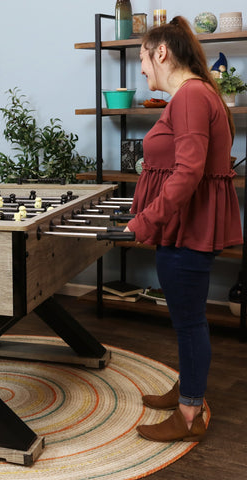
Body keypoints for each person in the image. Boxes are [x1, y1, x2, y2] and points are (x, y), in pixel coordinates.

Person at [125, 17, 243, 442]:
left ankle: (190, 413)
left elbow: (189, 171)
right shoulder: (196, 94)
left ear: (161, 53)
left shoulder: (191, 96)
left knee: (189, 322)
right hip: (184, 228)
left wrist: (145, 220)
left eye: (141, 57)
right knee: (186, 318)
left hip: (185, 229)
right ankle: (186, 388)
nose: (141, 69)